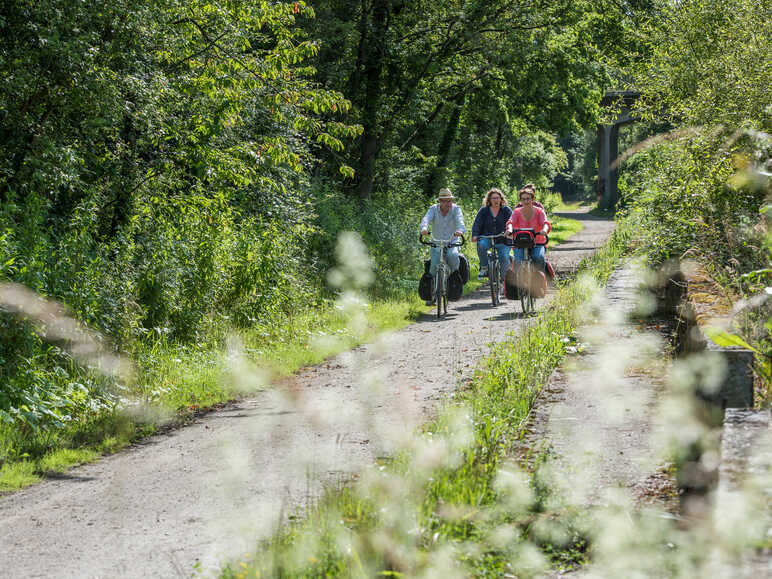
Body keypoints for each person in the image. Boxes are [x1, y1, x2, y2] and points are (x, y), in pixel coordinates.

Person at [420, 188, 466, 305]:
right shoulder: (433, 209)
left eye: (449, 200)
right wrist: (424, 228)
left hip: (452, 241)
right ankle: (432, 293)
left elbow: (460, 221)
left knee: (453, 255)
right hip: (437, 242)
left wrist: (460, 230)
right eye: (444, 200)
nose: (447, 203)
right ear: (439, 201)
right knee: (434, 265)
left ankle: (454, 283)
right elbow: (426, 219)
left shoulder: (456, 209)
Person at [471, 188, 512, 284]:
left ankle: (504, 282)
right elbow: (477, 223)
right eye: (493, 198)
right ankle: (484, 267)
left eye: (498, 198)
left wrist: (509, 231)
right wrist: (475, 235)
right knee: (481, 245)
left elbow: (512, 221)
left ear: (501, 199)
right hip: (487, 237)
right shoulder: (484, 210)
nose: (496, 200)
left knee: (504, 257)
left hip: (503, 239)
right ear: (489, 200)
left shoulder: (506, 210)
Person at [506, 184, 550, 274]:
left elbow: (545, 222)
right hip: (520, 242)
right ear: (521, 200)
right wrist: (509, 230)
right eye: (523, 199)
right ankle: (517, 284)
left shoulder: (539, 211)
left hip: (537, 242)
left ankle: (540, 279)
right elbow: (511, 222)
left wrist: (544, 230)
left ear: (532, 199)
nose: (526, 201)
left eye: (528, 198)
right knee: (517, 260)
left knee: (538, 257)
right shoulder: (517, 212)